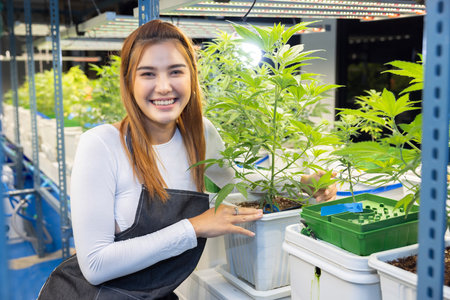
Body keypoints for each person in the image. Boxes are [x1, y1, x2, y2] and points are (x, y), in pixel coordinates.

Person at [38, 19, 336, 300]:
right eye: (148, 73)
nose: (164, 86)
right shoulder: (102, 144)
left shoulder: (201, 134)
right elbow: (95, 264)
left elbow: (236, 185)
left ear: (192, 77)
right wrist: (194, 227)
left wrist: (298, 185)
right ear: (129, 82)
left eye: (176, 71)